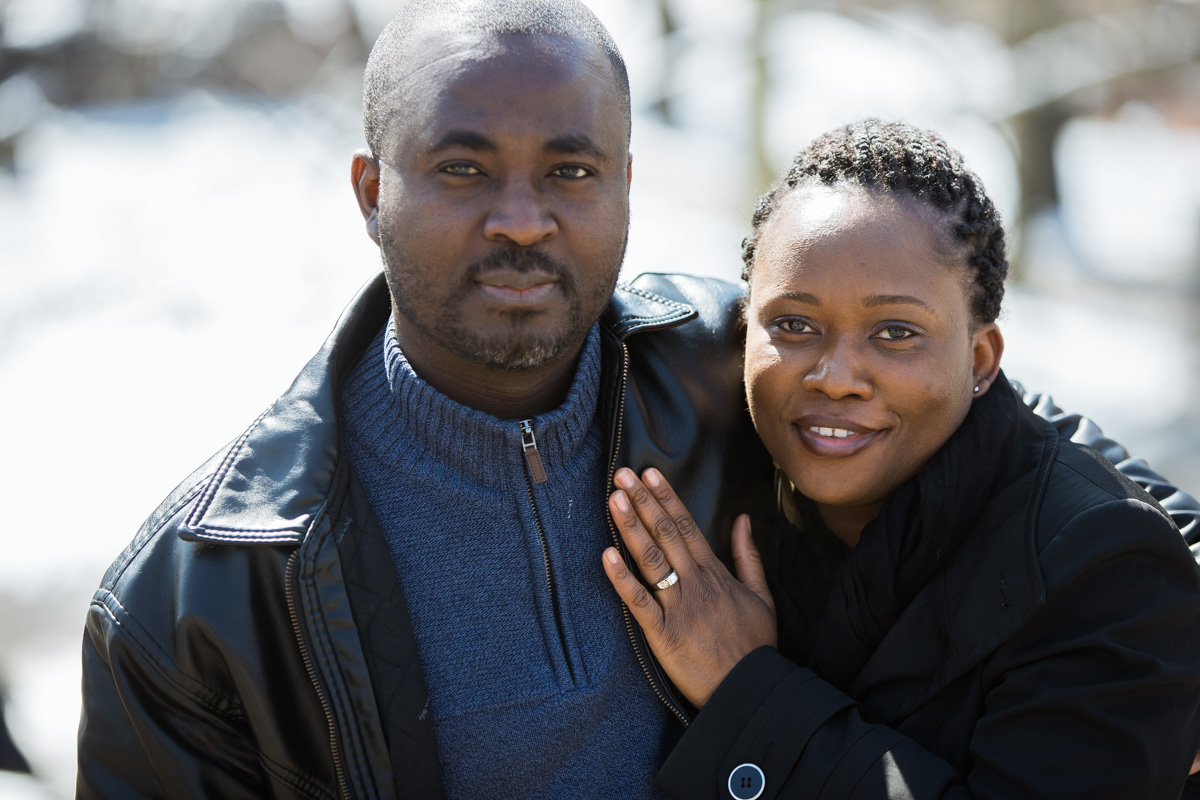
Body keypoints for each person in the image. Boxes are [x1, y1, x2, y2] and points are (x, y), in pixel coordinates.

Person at [74, 0, 1198, 794]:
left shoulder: (728, 362)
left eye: (570, 169)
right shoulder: (200, 591)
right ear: (372, 190)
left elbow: (996, 425)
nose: (523, 216)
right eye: (463, 168)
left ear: (623, 183)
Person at [600, 119, 1200, 799]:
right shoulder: (715, 447)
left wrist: (751, 696)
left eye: (895, 332)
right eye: (794, 324)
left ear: (979, 360)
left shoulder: (1101, 575)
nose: (835, 376)